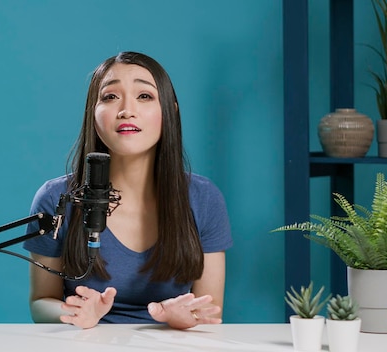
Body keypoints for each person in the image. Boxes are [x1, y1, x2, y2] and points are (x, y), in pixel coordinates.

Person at [23, 51, 233, 329]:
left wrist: (183, 318)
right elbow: (41, 302)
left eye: (144, 96)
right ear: (93, 113)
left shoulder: (204, 198)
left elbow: (210, 311)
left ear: (170, 110)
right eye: (110, 97)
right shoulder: (55, 198)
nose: (126, 110)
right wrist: (75, 313)